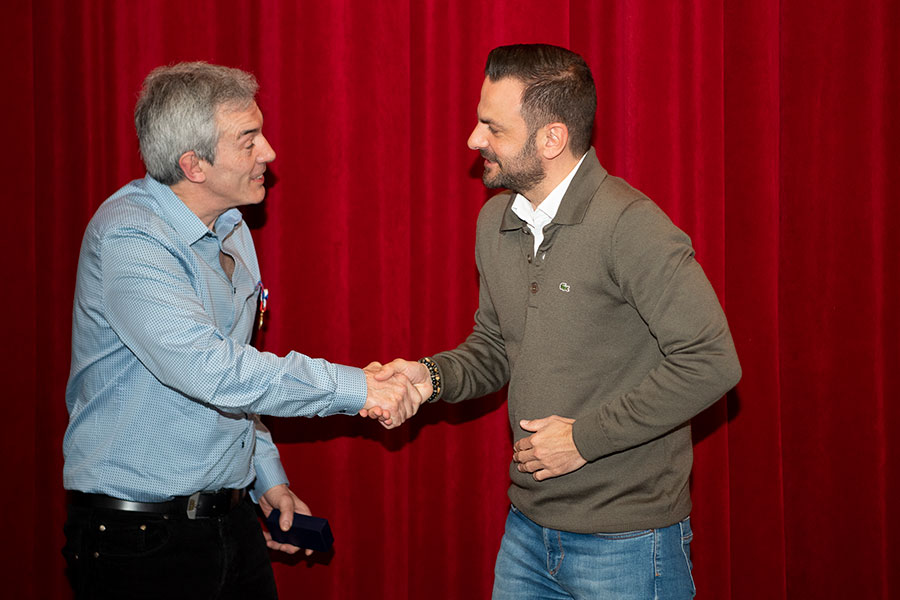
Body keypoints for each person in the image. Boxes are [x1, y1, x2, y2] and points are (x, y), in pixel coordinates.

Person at [375, 44, 741, 599]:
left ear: (551, 139)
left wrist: (584, 440)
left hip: (629, 544)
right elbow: (496, 348)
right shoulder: (496, 219)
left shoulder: (631, 226)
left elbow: (712, 363)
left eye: (491, 127)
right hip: (526, 533)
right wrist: (430, 378)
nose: (474, 140)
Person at [61, 61, 423, 599]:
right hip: (139, 541)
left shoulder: (230, 227)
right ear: (194, 164)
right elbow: (215, 372)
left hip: (227, 524)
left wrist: (266, 480)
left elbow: (237, 377)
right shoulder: (130, 237)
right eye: (248, 139)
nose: (269, 152)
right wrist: (360, 388)